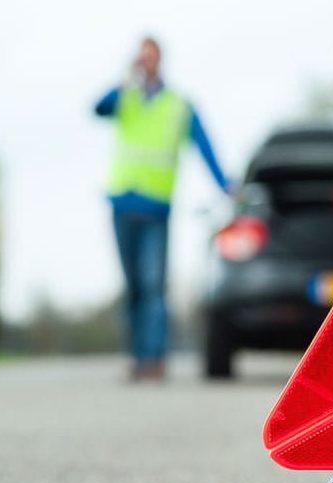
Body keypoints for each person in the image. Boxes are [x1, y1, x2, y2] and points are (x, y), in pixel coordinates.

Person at [94, 36, 229, 381]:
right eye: (141, 58)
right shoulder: (126, 98)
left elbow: (204, 146)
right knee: (133, 286)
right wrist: (126, 79)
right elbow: (98, 108)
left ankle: (154, 360)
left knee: (153, 284)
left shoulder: (178, 105)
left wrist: (227, 185)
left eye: (150, 57)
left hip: (156, 207)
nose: (146, 63)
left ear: (161, 61)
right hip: (123, 203)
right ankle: (138, 357)